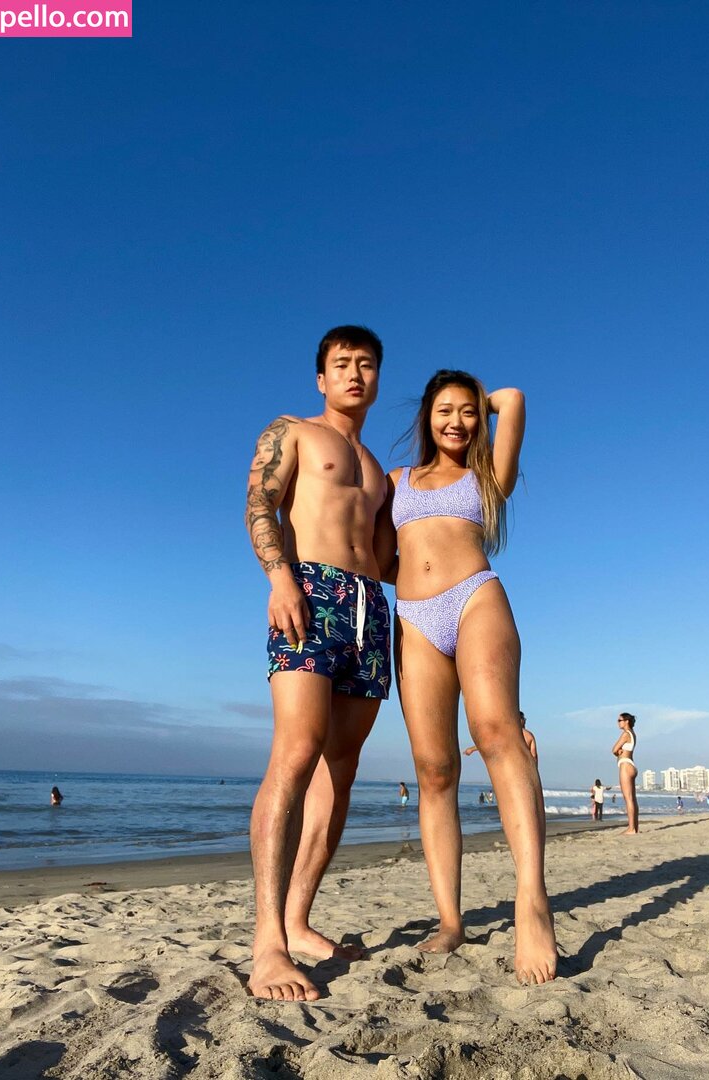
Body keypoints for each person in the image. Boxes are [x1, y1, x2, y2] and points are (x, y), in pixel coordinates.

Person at [384, 370, 556, 984]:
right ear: (425, 417)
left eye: (466, 412)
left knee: (496, 733)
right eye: (443, 411)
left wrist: (480, 403)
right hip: (413, 618)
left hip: (475, 599)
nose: (456, 421)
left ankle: (531, 900)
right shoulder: (396, 480)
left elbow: (515, 398)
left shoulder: (487, 478)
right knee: (434, 770)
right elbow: (372, 549)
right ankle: (451, 921)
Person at [244, 325, 392, 1002]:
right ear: (321, 378)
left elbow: (388, 558)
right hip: (310, 590)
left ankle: (299, 921)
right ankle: (268, 942)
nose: (355, 373)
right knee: (297, 751)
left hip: (370, 608)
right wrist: (280, 580)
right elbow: (259, 503)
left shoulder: (380, 470)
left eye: (366, 364)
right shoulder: (295, 432)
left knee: (342, 767)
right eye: (342, 364)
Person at [611, 712, 639, 834]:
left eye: (620, 720)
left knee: (628, 798)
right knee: (632, 799)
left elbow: (614, 749)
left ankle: (631, 828)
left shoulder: (626, 734)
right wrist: (619, 751)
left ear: (626, 721)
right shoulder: (632, 734)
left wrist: (617, 752)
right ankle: (635, 827)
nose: (618, 723)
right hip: (630, 764)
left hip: (625, 765)